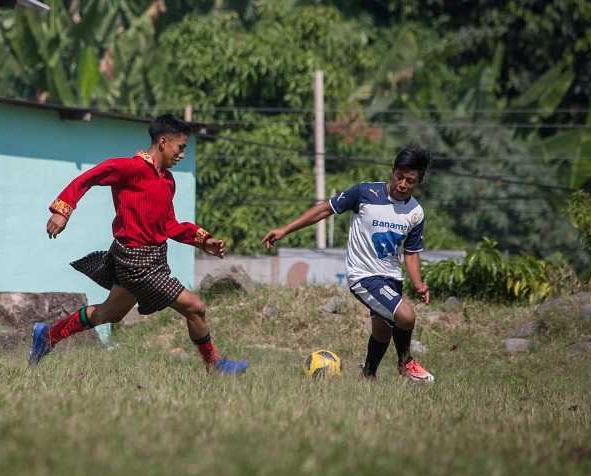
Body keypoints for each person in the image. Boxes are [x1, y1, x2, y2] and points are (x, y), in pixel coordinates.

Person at [29, 114, 249, 374]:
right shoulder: (127, 168)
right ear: (164, 142)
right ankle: (214, 365)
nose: (182, 155)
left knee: (108, 314)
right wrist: (62, 211)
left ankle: (48, 337)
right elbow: (86, 179)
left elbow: (169, 225)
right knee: (196, 307)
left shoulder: (168, 181)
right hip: (134, 262)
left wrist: (203, 240)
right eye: (181, 148)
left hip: (155, 260)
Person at [260, 146, 435, 383]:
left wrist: (418, 283)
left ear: (420, 182)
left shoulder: (415, 212)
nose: (403, 184)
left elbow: (411, 252)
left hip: (392, 278)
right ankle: (405, 362)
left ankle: (368, 375)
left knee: (382, 330)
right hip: (363, 276)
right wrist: (285, 229)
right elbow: (324, 209)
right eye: (399, 177)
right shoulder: (365, 192)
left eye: (410, 181)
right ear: (392, 171)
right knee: (406, 316)